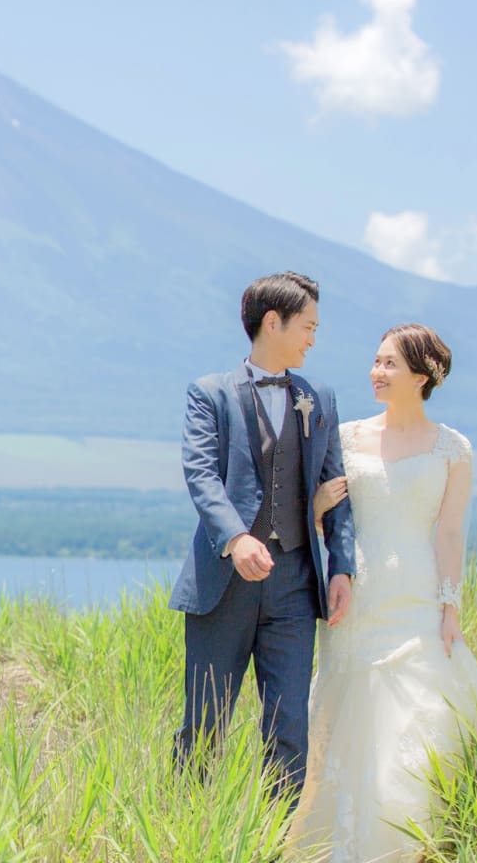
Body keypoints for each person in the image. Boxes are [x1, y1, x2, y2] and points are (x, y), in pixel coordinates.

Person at [289, 323, 477, 861]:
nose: (376, 372)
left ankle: (408, 841)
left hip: (417, 599)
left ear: (422, 376)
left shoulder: (453, 448)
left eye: (390, 364)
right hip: (355, 594)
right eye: (376, 361)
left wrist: (451, 607)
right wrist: (317, 509)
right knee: (350, 709)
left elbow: (449, 532)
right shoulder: (347, 436)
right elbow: (316, 516)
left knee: (418, 720)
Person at [169, 271, 357, 803]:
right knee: (203, 726)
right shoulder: (210, 394)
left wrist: (340, 566)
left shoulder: (318, 396)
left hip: (296, 586)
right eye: (308, 326)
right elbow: (201, 475)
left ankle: (275, 844)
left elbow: (335, 485)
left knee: (289, 729)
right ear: (272, 323)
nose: (313, 339)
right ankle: (187, 833)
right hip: (223, 586)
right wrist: (235, 537)